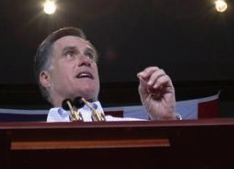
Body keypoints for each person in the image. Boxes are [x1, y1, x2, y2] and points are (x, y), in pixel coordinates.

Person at [34, 26, 180, 122]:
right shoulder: (28, 139)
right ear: (46, 78)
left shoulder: (135, 130)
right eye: (70, 54)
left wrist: (166, 121)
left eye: (90, 55)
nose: (86, 60)